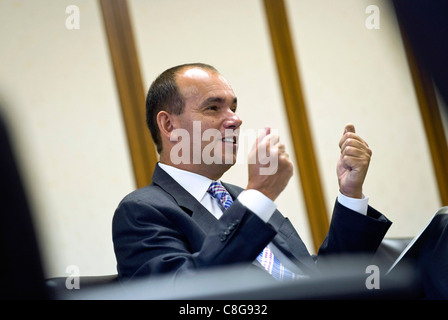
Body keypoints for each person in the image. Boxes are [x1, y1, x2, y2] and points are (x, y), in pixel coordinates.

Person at [113, 63, 448, 298]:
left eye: (234, 107)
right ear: (169, 126)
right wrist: (258, 197)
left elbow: (319, 280)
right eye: (214, 108)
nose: (236, 119)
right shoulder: (143, 210)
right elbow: (185, 295)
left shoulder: (240, 198)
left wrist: (350, 193)